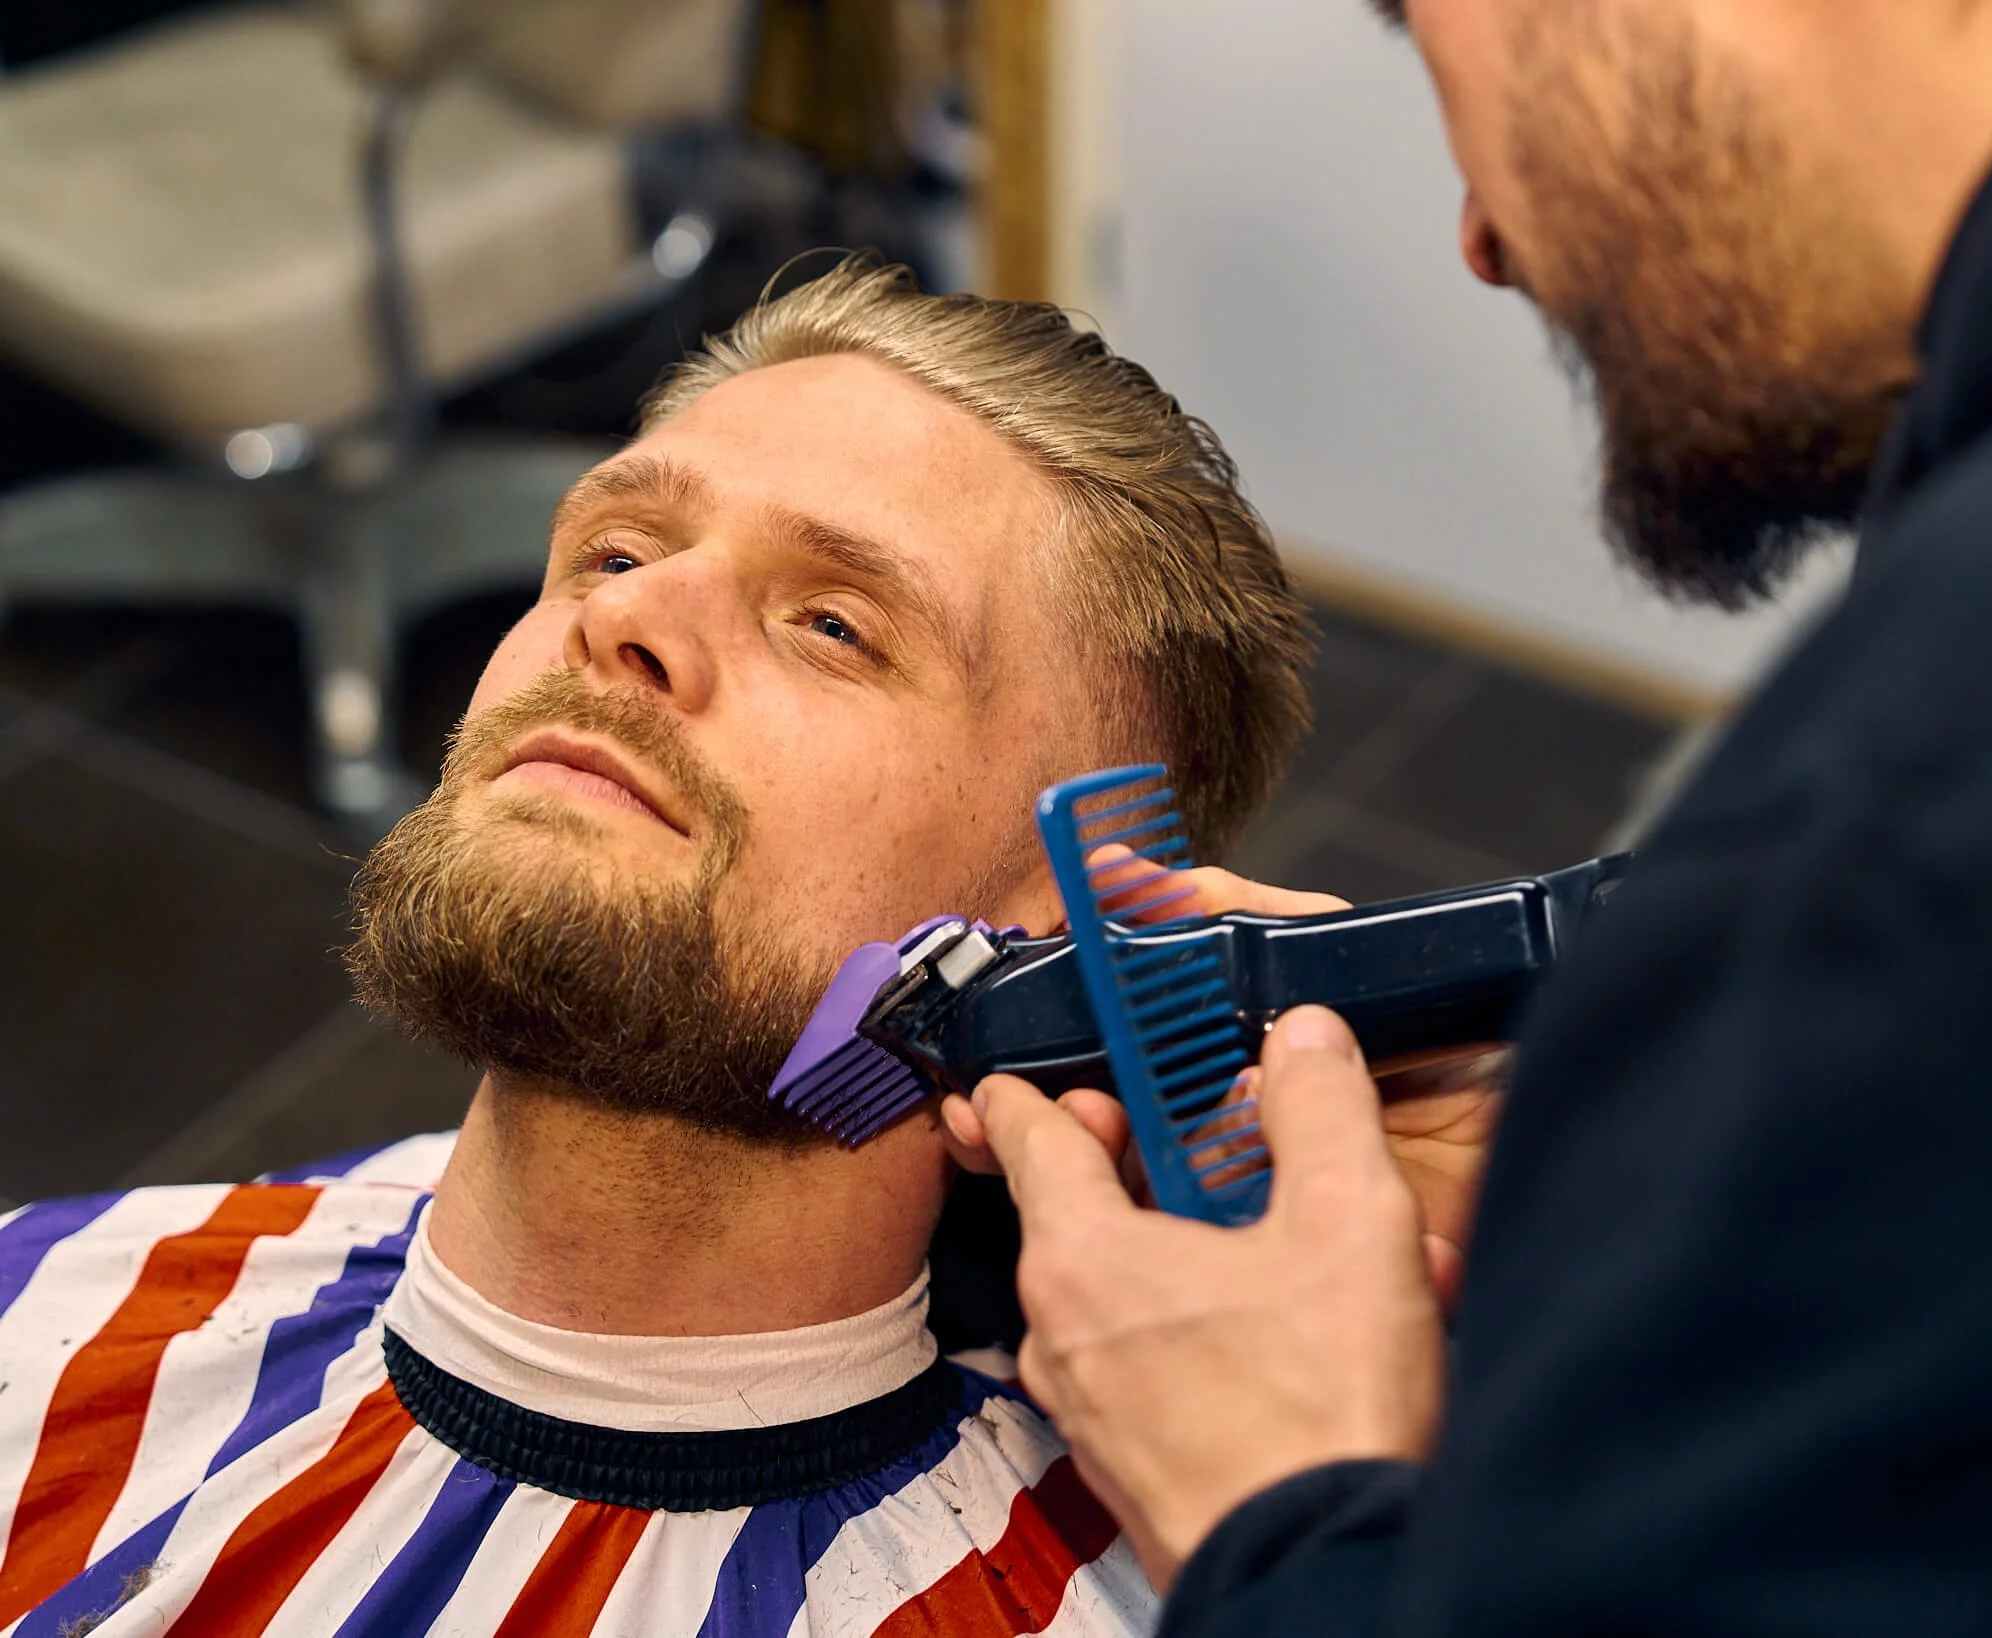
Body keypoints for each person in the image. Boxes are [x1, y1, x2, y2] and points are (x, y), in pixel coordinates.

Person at [0, 256, 1319, 1637]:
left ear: (1062, 927)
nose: (620, 616)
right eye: (617, 550)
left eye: (833, 624)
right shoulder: (51, 1313)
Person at [952, 1, 1992, 1632]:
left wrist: (1287, 1514)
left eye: (1427, 41)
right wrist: (1667, 1096)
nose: (1480, 237)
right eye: (607, 553)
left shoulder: (1925, 794)